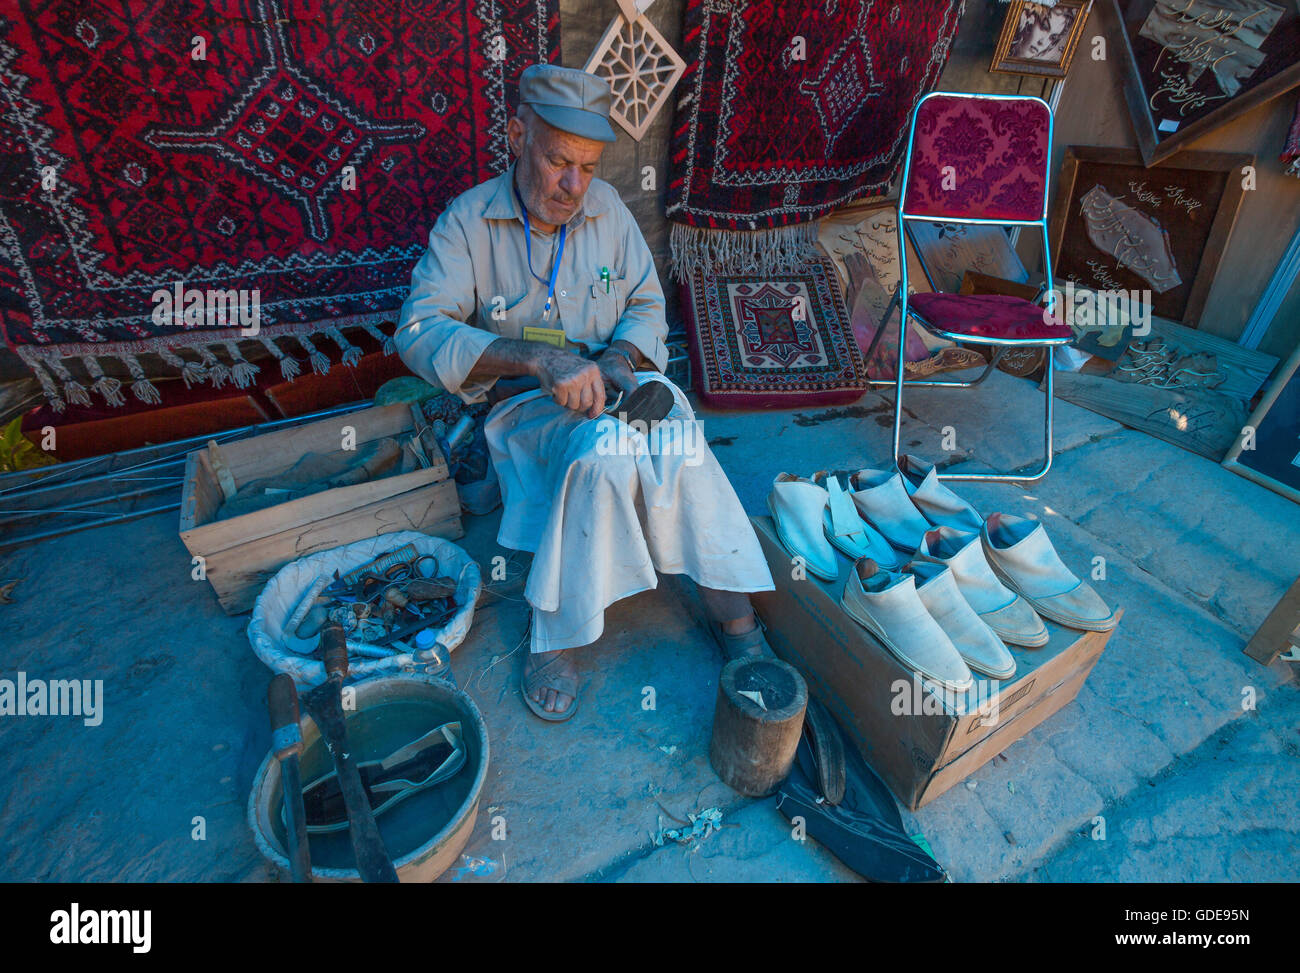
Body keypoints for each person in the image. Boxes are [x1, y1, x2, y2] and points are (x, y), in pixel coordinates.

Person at [394, 64, 776, 722]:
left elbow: (646, 303)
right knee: (602, 451)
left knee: (678, 429)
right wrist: (537, 358)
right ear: (518, 136)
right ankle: (556, 632)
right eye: (559, 161)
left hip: (612, 389)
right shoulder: (467, 222)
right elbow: (419, 330)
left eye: (590, 167)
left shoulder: (608, 213)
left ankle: (734, 616)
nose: (574, 186)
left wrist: (623, 358)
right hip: (523, 407)